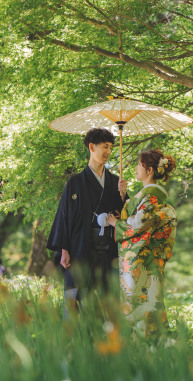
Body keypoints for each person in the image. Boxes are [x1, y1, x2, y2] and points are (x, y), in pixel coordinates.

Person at [46, 128, 128, 310]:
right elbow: (64, 215)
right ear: (92, 147)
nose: (108, 152)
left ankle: (102, 336)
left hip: (107, 248)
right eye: (105, 147)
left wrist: (123, 196)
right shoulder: (75, 182)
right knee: (75, 296)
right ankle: (74, 336)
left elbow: (125, 216)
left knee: (105, 299)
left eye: (111, 148)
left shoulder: (116, 182)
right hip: (80, 246)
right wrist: (64, 249)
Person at [105, 149, 177, 334]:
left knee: (142, 300)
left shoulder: (153, 196)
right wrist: (123, 195)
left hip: (144, 261)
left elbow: (139, 223)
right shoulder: (147, 195)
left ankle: (146, 342)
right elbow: (135, 214)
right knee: (144, 300)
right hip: (146, 260)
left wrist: (115, 224)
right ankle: (150, 342)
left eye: (139, 164)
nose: (136, 167)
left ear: (149, 170)